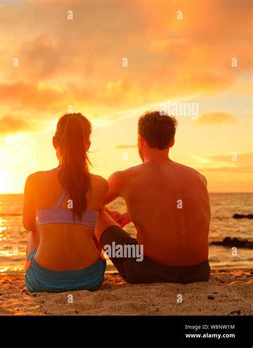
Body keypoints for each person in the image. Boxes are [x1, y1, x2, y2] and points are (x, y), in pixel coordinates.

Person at [96, 111, 210, 284]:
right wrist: (129, 216)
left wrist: (108, 212)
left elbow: (87, 204)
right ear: (172, 142)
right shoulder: (198, 177)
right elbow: (171, 209)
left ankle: (86, 270)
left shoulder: (125, 178)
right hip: (200, 273)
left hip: (149, 272)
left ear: (141, 140)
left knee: (94, 214)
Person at [23, 113, 108, 292]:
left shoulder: (34, 180)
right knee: (90, 220)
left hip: (43, 281)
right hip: (90, 277)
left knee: (34, 230)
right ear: (87, 145)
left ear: (55, 142)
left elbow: (28, 224)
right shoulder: (101, 184)